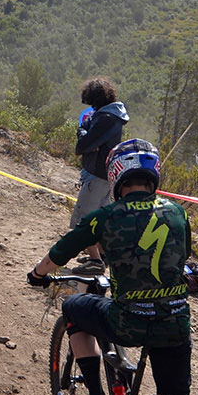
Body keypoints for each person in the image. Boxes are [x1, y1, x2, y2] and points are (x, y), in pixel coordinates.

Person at [25, 139, 198, 395]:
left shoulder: (105, 217)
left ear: (116, 174)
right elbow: (183, 254)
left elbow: (61, 252)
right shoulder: (177, 212)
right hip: (175, 323)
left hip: (128, 323)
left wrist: (38, 274)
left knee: (73, 308)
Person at [70, 79, 130, 260]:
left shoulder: (106, 119)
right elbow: (85, 138)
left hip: (96, 176)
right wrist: (85, 136)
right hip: (103, 176)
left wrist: (83, 135)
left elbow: (81, 146)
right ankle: (102, 257)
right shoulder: (108, 115)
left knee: (85, 221)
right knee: (101, 221)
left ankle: (96, 261)